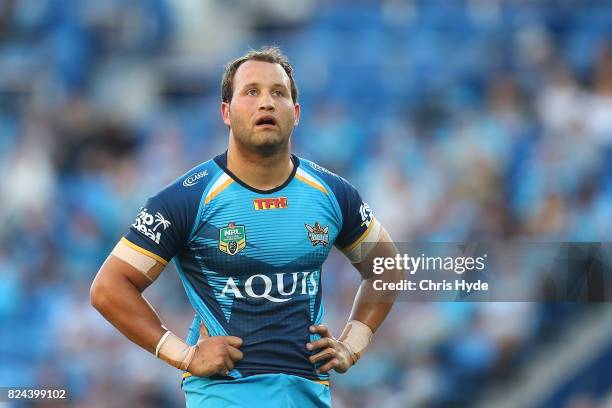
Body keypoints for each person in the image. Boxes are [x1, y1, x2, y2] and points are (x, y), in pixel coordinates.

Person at [90, 46, 401, 407]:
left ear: (296, 113)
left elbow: (388, 267)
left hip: (309, 395)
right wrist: (185, 356)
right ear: (226, 111)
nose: (266, 103)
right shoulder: (188, 199)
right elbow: (109, 288)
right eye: (251, 92)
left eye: (278, 93)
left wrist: (353, 345)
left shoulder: (332, 193)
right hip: (227, 394)